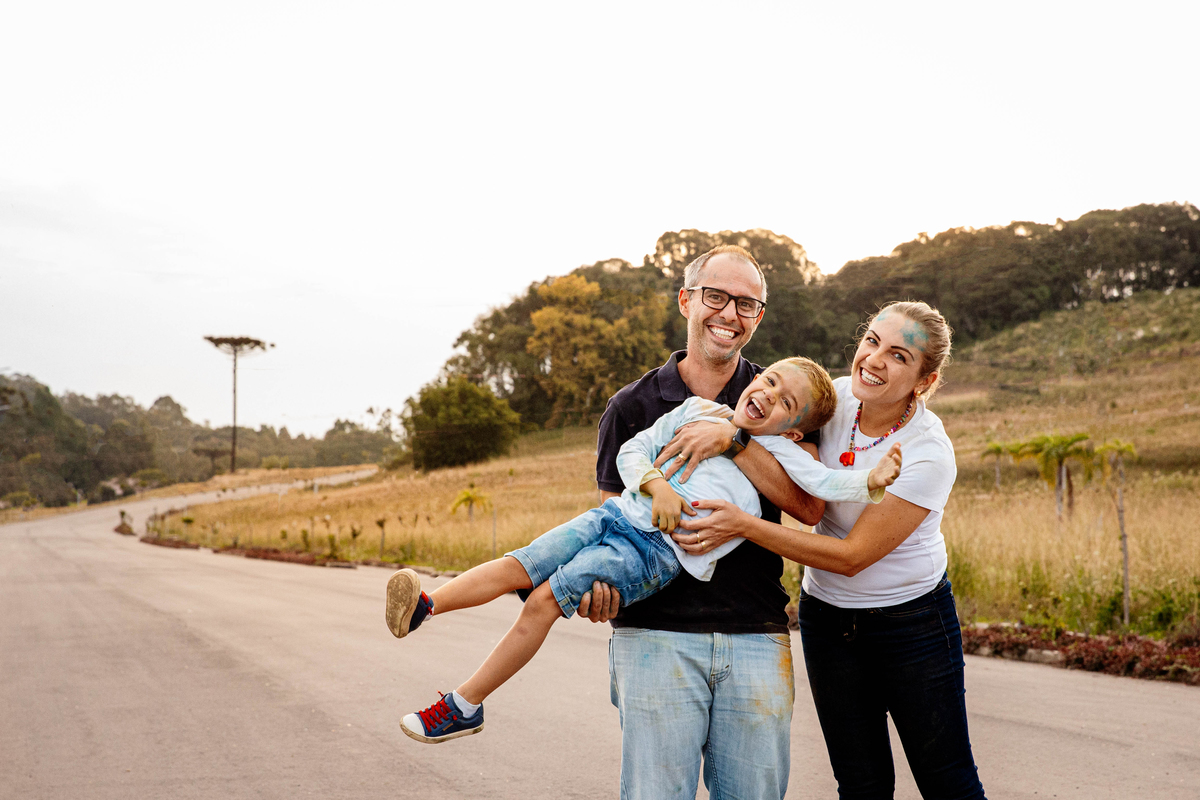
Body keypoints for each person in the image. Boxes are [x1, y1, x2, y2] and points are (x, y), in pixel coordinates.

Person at [386, 357, 903, 745]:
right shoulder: (697, 409)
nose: (768, 394)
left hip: (655, 552)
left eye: (786, 401)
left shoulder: (782, 452)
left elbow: (829, 486)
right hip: (617, 514)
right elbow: (635, 450)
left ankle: (465, 703)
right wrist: (656, 486)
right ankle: (426, 606)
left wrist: (873, 481)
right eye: (769, 381)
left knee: (544, 600)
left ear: (793, 427)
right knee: (519, 563)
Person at [656, 300, 988, 799]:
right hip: (828, 621)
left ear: (924, 379)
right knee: (860, 782)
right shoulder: (828, 402)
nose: (874, 360)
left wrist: (744, 525)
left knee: (947, 782)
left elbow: (851, 556)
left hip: (912, 624)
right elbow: (765, 431)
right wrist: (730, 432)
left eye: (899, 356)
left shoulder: (927, 453)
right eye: (872, 341)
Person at [594, 245, 829, 800]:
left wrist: (735, 440)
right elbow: (607, 511)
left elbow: (809, 507)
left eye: (746, 304)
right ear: (687, 301)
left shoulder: (782, 396)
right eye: (716, 297)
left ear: (760, 316)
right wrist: (602, 587)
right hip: (654, 634)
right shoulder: (632, 406)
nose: (729, 314)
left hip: (756, 632)